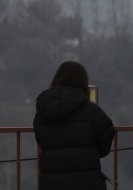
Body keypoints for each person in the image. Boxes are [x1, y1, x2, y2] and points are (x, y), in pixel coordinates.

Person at [33, 61, 114, 190]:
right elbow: (105, 145)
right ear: (83, 83)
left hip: (51, 183)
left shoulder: (42, 113)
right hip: (87, 183)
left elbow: (41, 140)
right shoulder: (92, 111)